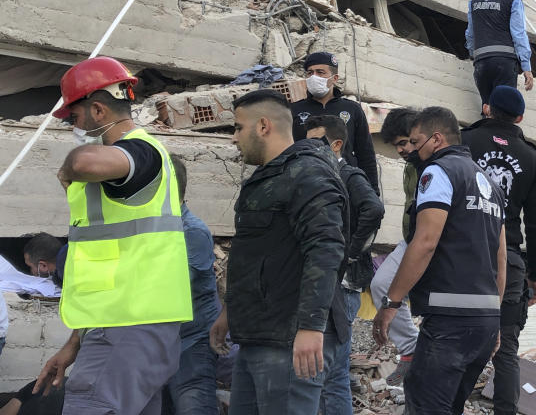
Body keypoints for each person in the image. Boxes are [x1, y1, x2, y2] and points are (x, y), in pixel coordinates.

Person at [34, 57, 193, 412]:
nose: (73, 127)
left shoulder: (142, 151)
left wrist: (70, 166)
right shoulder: (137, 158)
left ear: (99, 110)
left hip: (127, 329)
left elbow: (84, 164)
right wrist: (75, 343)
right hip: (131, 327)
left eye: (74, 118)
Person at [209, 89, 348, 414]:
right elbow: (255, 256)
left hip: (290, 339)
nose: (234, 138)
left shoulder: (307, 173)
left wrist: (311, 326)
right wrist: (229, 314)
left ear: (263, 126)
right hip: (261, 334)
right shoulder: (268, 178)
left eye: (238, 127)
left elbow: (326, 249)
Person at [372, 107, 506, 414]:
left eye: (416, 141)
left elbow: (425, 242)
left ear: (436, 139)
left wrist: (391, 304)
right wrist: (494, 319)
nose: (413, 149)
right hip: (484, 323)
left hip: (450, 323)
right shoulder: (491, 185)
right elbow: (499, 260)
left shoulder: (438, 171)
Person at [462, 87, 536, 415]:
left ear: (487, 109)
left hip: (462, 256)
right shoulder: (532, 158)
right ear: (521, 118)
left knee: (454, 341)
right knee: (506, 350)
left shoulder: (463, 142)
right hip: (508, 261)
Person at [305, 115, 384, 415]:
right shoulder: (322, 174)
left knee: (321, 371)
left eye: (316, 142)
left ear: (336, 144)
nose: (309, 147)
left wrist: (348, 252)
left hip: (343, 285)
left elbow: (374, 208)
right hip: (336, 285)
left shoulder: (347, 175)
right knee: (334, 372)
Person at [164, 157, 220, 415]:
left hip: (192, 342)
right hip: (161, 342)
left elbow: (175, 287)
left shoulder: (193, 232)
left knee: (192, 406)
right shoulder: (155, 231)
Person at [369, 108, 421, 386]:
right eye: (397, 145)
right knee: (381, 285)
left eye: (404, 142)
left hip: (430, 241)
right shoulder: (411, 165)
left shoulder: (434, 164)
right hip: (411, 239)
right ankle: (411, 350)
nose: (400, 150)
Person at [288, 51, 379, 190]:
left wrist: (372, 191)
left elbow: (366, 154)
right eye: (310, 73)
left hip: (345, 185)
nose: (314, 77)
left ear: (334, 78)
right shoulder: (294, 110)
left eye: (320, 72)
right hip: (305, 185)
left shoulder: (352, 109)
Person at [465, 0, 534, 107]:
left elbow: (470, 33)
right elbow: (519, 33)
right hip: (504, 62)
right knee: (504, 109)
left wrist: (473, 54)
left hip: (481, 63)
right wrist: (526, 67)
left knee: (487, 109)